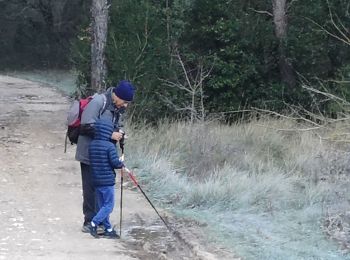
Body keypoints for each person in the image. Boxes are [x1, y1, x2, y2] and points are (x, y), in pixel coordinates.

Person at [75, 80, 135, 232]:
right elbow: (85, 125)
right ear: (118, 96)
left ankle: (100, 221)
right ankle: (89, 222)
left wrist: (120, 133)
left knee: (102, 187)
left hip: (103, 154)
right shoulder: (99, 101)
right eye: (125, 101)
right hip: (89, 152)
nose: (126, 105)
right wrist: (111, 134)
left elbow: (116, 126)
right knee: (90, 188)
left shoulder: (117, 107)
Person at [88, 118, 124, 239]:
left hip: (96, 180)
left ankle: (108, 229)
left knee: (102, 205)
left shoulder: (92, 144)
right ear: (108, 131)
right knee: (108, 205)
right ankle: (94, 223)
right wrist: (121, 163)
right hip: (107, 181)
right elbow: (115, 163)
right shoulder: (109, 146)